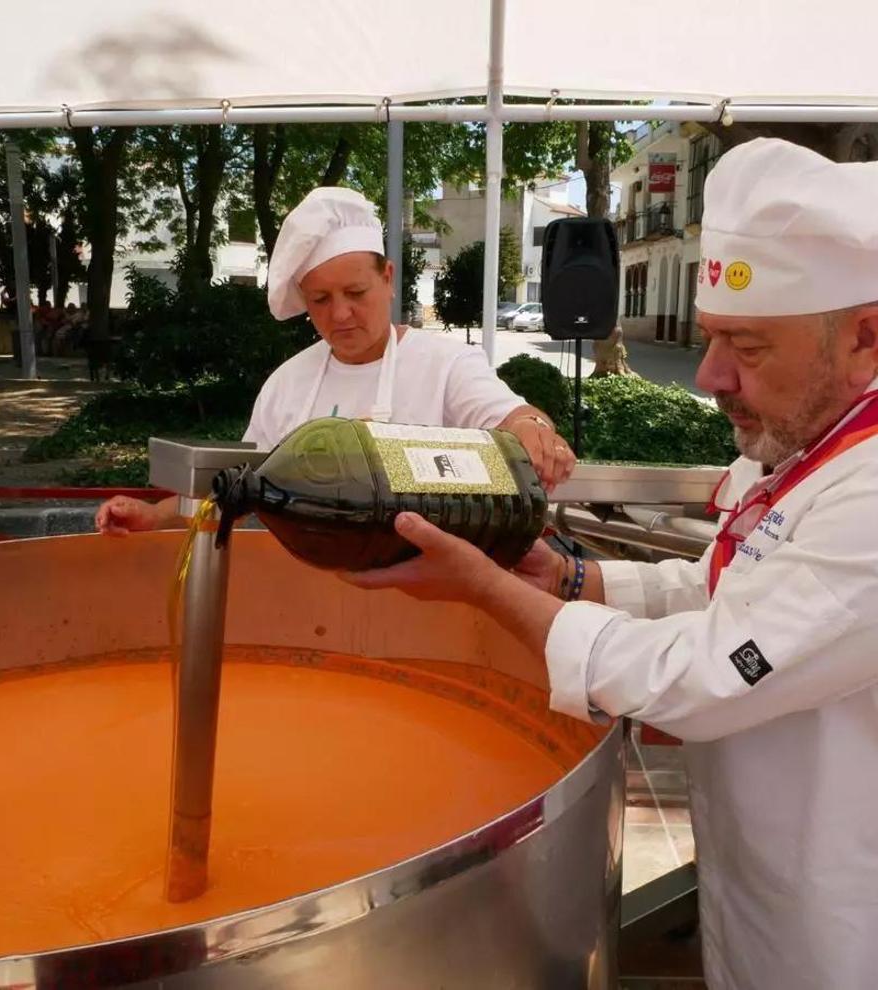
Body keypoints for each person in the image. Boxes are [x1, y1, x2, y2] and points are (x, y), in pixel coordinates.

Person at [343, 138, 878, 990]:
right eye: (709, 340)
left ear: (867, 339)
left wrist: (484, 589)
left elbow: (708, 675)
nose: (709, 377)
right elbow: (728, 593)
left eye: (749, 346)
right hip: (759, 881)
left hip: (843, 922)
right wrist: (569, 579)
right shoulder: (796, 446)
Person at [96, 188, 575, 535]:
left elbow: (511, 417)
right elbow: (235, 494)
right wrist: (150, 518)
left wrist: (533, 427)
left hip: (429, 600)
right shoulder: (288, 383)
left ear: (388, 278)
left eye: (355, 292)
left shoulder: (445, 363)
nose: (340, 313)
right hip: (310, 598)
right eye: (321, 299)